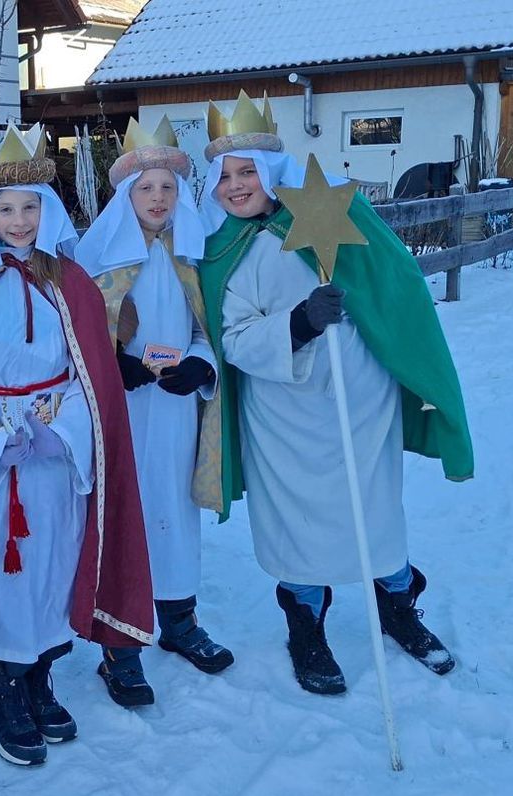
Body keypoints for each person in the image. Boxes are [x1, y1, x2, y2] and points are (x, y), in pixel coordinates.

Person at [198, 91, 474, 695]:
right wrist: (298, 322)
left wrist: (378, 331)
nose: (237, 186)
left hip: (362, 406)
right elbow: (234, 339)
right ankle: (306, 627)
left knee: (375, 518)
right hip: (282, 418)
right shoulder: (224, 252)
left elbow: (395, 285)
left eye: (247, 172)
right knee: (300, 530)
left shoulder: (336, 219)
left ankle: (399, 608)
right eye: (225, 178)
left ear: (271, 173)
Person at [0, 124, 153, 766]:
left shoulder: (71, 282)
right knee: (3, 572)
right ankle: (6, 689)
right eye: (6, 208)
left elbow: (92, 375)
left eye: (30, 207)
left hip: (58, 450)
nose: (19, 220)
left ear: (46, 210)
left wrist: (65, 432)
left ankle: (42, 678)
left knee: (55, 561)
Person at [75, 116, 232, 708]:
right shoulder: (98, 262)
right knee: (125, 512)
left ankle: (180, 621)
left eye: (168, 188)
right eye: (147, 188)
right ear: (126, 195)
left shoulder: (194, 255)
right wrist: (112, 367)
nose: (159, 198)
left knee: (175, 512)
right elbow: (80, 336)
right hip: (121, 412)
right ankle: (121, 645)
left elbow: (204, 327)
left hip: (174, 411)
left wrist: (198, 363)